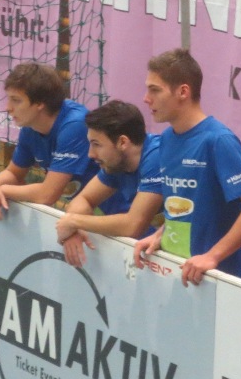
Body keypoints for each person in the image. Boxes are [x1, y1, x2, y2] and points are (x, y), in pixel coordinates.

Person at [133, 48, 241, 286]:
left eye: (155, 90)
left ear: (183, 92)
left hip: (230, 275)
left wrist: (212, 256)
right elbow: (187, 205)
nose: (146, 98)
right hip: (191, 272)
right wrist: (160, 234)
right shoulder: (167, 139)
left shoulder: (217, 140)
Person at [54, 100, 164, 268]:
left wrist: (74, 222)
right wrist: (72, 231)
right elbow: (85, 199)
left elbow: (133, 225)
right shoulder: (116, 163)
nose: (90, 154)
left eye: (96, 144)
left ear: (122, 143)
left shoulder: (156, 157)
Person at [0, 62, 95, 219]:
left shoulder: (75, 125)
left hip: (115, 210)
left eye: (16, 100)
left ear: (40, 103)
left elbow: (47, 195)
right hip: (87, 210)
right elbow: (14, 173)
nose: (8, 107)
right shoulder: (31, 127)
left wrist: (2, 189)